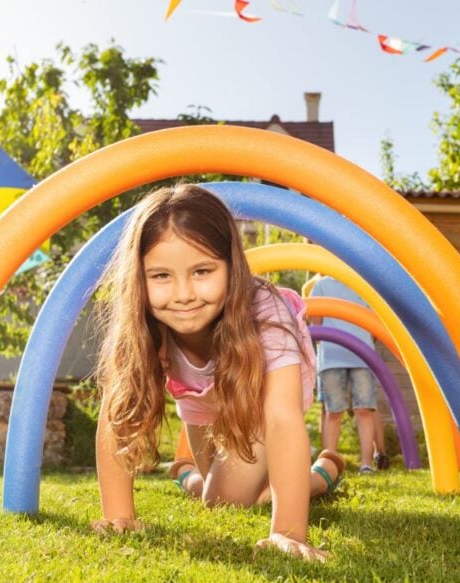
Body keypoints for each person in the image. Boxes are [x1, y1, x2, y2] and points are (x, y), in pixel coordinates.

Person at [91, 184, 345, 562]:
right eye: (161, 276)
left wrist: (287, 532)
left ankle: (325, 470)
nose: (183, 294)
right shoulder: (143, 321)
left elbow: (281, 418)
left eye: (202, 271)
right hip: (202, 399)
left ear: (232, 265)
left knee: (224, 499)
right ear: (138, 278)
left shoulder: (264, 313)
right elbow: (119, 414)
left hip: (262, 396)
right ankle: (190, 473)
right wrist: (119, 516)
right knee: (219, 494)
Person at [307, 275, 388, 473]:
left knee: (364, 409)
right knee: (334, 412)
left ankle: (366, 464)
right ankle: (327, 465)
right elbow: (315, 323)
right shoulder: (321, 286)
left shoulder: (364, 285)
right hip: (332, 356)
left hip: (362, 355)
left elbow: (376, 323)